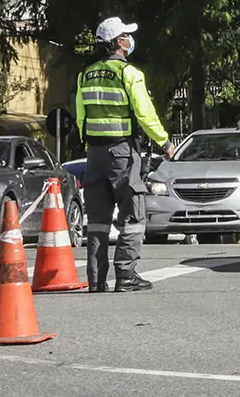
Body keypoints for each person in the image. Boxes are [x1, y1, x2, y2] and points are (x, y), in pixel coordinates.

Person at [75, 17, 175, 292]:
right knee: (133, 216)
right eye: (127, 36)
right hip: (122, 153)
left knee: (98, 221)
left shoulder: (85, 74)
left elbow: (81, 117)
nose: (131, 40)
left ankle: (96, 280)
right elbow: (145, 113)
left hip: (95, 155)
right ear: (119, 42)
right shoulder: (129, 73)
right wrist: (165, 142)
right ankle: (126, 275)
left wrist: (90, 148)